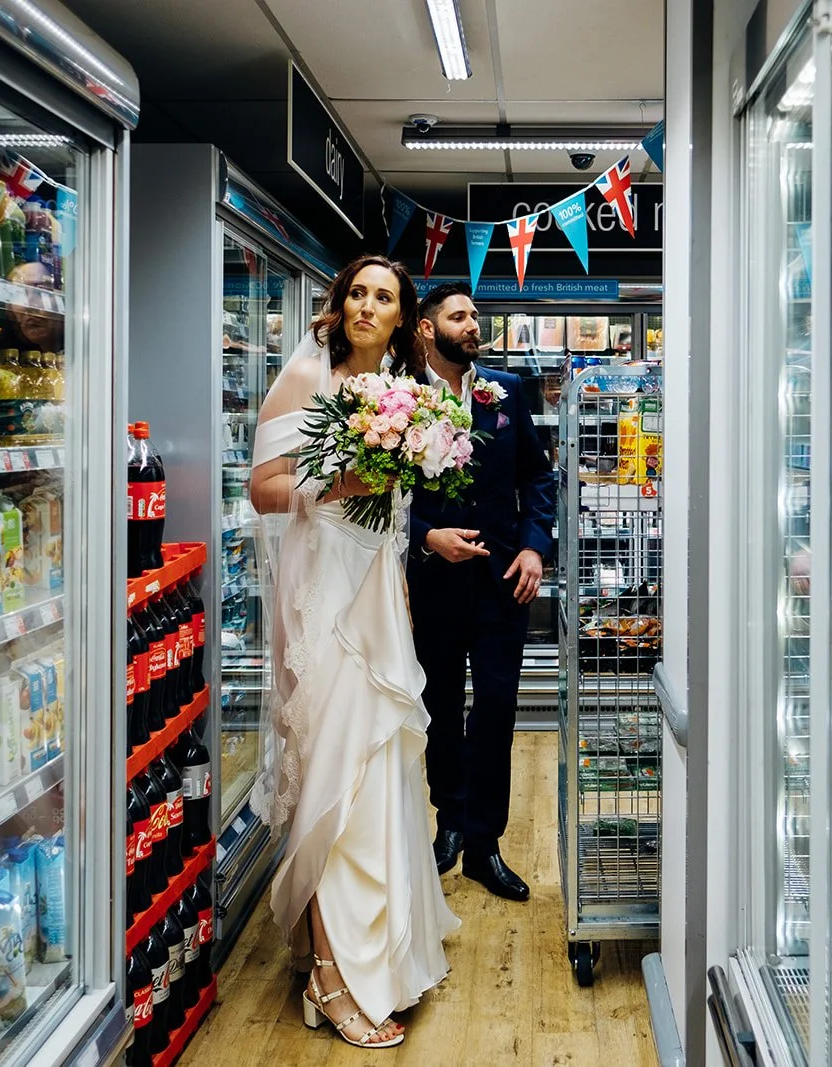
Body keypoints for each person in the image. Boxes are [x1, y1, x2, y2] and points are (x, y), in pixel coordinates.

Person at [249, 254, 459, 1049]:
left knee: (378, 776)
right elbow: (262, 485)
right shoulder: (307, 379)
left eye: (385, 297)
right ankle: (331, 978)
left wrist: (399, 573)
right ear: (339, 306)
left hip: (375, 595)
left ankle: (380, 951)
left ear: (405, 317)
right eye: (358, 293)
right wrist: (331, 490)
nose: (369, 306)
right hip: (320, 599)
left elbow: (397, 510)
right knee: (332, 775)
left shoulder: (410, 398)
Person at [408, 283, 556, 902]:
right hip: (433, 584)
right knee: (440, 709)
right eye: (459, 316)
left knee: (496, 711)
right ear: (426, 328)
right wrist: (426, 536)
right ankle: (449, 824)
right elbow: (375, 502)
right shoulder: (397, 401)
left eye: (476, 316)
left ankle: (485, 845)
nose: (473, 325)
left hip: (503, 585)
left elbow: (537, 476)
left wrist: (533, 545)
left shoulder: (507, 391)